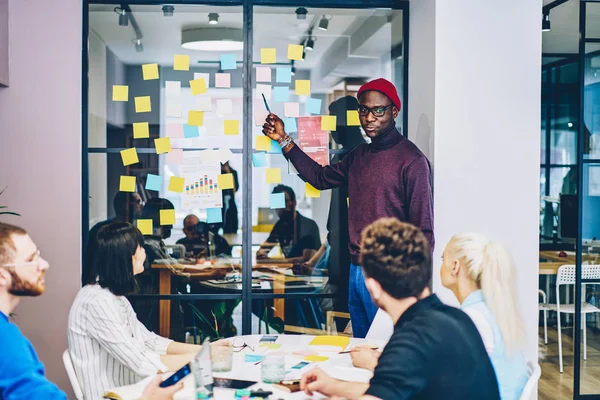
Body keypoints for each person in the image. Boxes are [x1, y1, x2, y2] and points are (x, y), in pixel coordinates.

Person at [263, 78, 434, 337]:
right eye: (364, 110)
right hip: (355, 270)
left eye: (378, 110)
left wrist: (407, 284)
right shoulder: (358, 156)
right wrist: (284, 140)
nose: (369, 117)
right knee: (362, 349)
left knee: (387, 351)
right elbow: (319, 178)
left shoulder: (412, 161)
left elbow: (424, 234)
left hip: (389, 275)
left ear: (394, 112)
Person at [300, 218, 500, 400]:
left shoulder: (411, 340)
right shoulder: (455, 318)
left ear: (374, 288)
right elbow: (386, 389)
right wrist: (332, 386)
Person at [0, 222, 182, 400]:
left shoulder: (9, 334)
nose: (45, 264)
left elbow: (148, 343)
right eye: (31, 259)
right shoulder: (6, 339)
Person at [69, 222, 228, 400]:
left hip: (135, 389)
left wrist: (205, 349)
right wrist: (204, 357)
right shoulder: (96, 302)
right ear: (124, 257)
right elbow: (141, 362)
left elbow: (150, 342)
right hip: (118, 395)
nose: (145, 252)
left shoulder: (112, 296)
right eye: (140, 247)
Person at [440, 233, 529, 400]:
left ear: (455, 267)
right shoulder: (492, 309)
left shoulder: (474, 318)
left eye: (442, 258)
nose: (440, 265)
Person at [84, 191, 144, 285]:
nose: (141, 206)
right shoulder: (104, 231)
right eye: (138, 202)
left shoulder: (130, 230)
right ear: (126, 205)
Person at [256, 184, 321, 261]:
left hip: (307, 272)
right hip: (289, 271)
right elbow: (263, 250)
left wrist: (273, 261)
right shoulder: (280, 225)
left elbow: (307, 260)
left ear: (294, 202)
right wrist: (261, 254)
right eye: (277, 203)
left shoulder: (308, 225)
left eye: (285, 201)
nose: (281, 207)